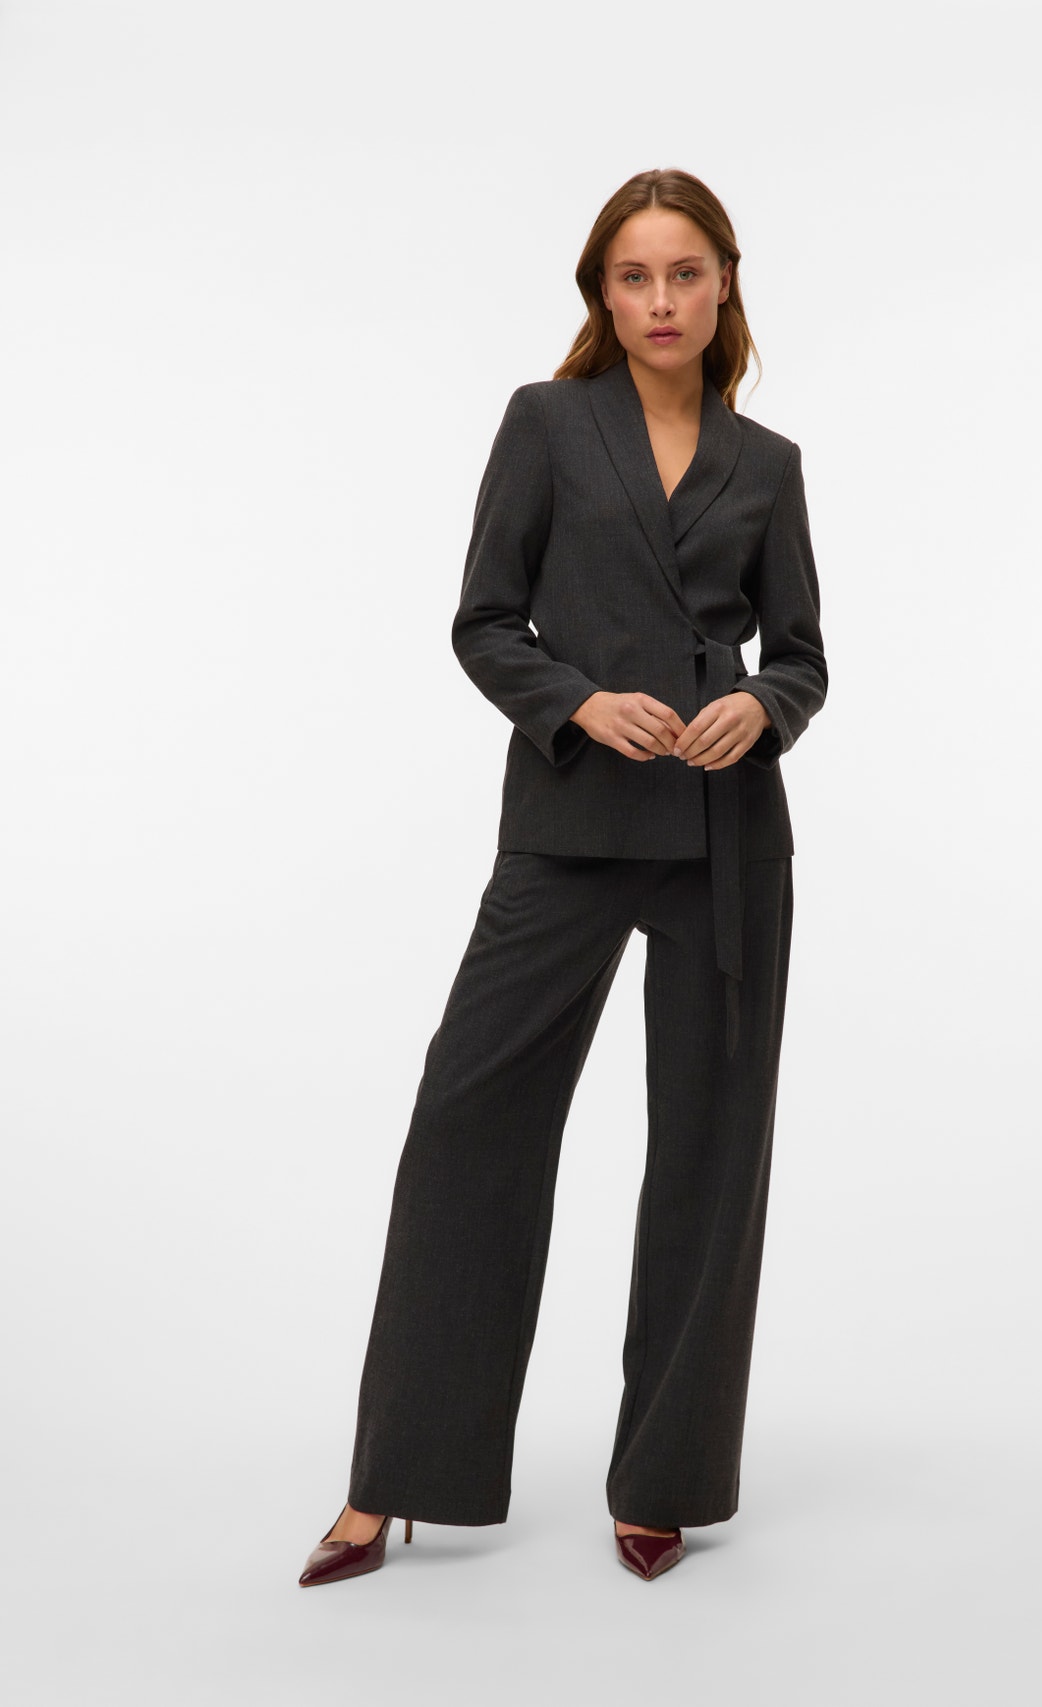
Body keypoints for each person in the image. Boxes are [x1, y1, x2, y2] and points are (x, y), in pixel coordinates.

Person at [298, 166, 828, 1587]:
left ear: (724, 284)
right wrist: (580, 703)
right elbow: (483, 621)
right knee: (469, 1126)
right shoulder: (546, 423)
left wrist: (761, 707)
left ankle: (665, 1479)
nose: (660, 300)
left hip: (725, 838)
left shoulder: (767, 462)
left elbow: (803, 657)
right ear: (602, 291)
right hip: (571, 821)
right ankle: (393, 1479)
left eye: (685, 273)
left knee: (711, 1153)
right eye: (633, 276)